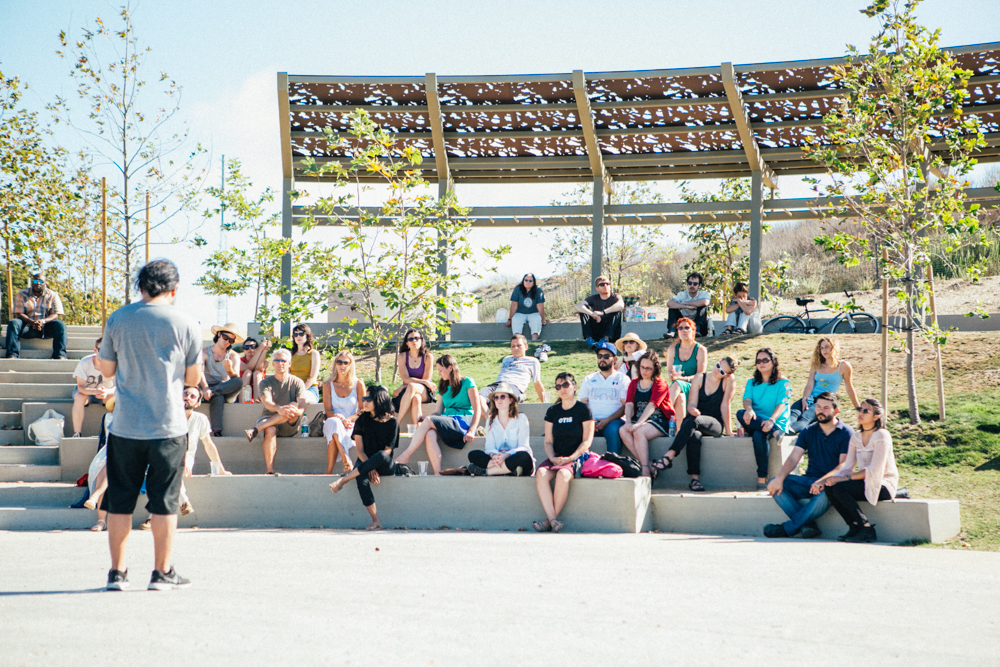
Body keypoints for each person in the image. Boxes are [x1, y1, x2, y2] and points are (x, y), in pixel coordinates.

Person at [98, 259, 202, 591]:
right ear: (173, 290)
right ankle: (162, 572)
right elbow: (193, 378)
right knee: (165, 501)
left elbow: (107, 369)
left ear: (140, 287)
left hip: (126, 426)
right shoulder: (186, 323)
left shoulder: (119, 319)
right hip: (168, 427)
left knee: (120, 500)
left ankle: (118, 573)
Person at [763, 392, 852, 539]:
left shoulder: (846, 432)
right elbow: (793, 458)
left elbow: (845, 465)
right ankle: (807, 526)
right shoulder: (807, 431)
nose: (820, 411)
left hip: (832, 483)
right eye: (818, 406)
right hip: (808, 481)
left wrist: (823, 481)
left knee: (827, 493)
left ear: (836, 411)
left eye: (826, 408)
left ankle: (787, 528)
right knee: (774, 484)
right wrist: (779, 478)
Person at [809, 398, 899, 543]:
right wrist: (825, 480)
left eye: (866, 411)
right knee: (831, 486)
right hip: (864, 482)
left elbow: (875, 470)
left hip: (883, 484)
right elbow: (847, 466)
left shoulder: (882, 435)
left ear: (876, 416)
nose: (860, 413)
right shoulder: (856, 436)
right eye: (859, 409)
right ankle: (854, 527)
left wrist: (843, 479)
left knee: (839, 487)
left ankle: (867, 528)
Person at [651, 356, 739, 491]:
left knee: (694, 422)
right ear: (718, 362)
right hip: (695, 419)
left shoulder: (728, 381)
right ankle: (694, 479)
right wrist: (692, 409)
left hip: (714, 423)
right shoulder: (699, 377)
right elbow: (691, 403)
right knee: (694, 435)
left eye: (722, 372)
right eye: (718, 366)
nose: (718, 371)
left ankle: (669, 456)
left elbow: (725, 406)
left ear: (726, 375)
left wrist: (728, 431)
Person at [329, 385, 402, 531]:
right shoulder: (362, 419)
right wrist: (369, 466)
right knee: (361, 479)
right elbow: (360, 449)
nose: (365, 402)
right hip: (364, 459)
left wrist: (372, 466)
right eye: (364, 399)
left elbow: (387, 451)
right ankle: (376, 520)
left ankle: (344, 480)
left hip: (385, 464)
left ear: (379, 400)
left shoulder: (393, 423)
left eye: (368, 399)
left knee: (381, 454)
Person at [394, 354, 481, 475]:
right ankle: (437, 472)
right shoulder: (443, 385)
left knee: (429, 421)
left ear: (450, 368)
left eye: (441, 370)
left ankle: (406, 455)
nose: (439, 373)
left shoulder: (467, 382)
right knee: (430, 434)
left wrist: (472, 430)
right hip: (447, 420)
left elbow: (477, 409)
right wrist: (428, 418)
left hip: (462, 421)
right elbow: (438, 412)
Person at [533, 372, 594, 533]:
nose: (562, 389)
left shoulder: (583, 409)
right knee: (540, 473)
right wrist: (552, 457)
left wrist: (571, 458)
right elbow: (548, 440)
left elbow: (587, 441)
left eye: (566, 384)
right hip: (556, 456)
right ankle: (553, 520)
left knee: (562, 475)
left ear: (574, 386)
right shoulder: (553, 411)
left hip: (577, 456)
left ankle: (548, 521)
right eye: (558, 386)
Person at [737, 347, 793, 490]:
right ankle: (774, 431)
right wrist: (748, 409)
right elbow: (747, 399)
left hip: (775, 420)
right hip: (755, 420)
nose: (761, 363)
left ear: (773, 362)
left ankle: (762, 478)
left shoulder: (783, 382)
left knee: (758, 434)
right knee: (739, 413)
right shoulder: (752, 382)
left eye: (765, 360)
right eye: (758, 361)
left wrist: (772, 420)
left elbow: (782, 404)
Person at [244, 348, 306, 475]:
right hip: (269, 419)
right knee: (270, 429)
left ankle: (256, 429)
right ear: (272, 364)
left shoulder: (298, 382)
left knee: (293, 405)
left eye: (283, 360)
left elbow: (301, 406)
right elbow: (267, 403)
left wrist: (293, 410)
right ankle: (270, 471)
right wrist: (280, 409)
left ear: (289, 363)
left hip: (290, 422)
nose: (280, 363)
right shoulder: (265, 383)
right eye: (276, 360)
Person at [620, 350, 676, 477]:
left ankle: (645, 471)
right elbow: (629, 404)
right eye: (642, 367)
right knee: (623, 430)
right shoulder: (634, 383)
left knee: (639, 431)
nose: (644, 371)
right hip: (639, 419)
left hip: (659, 420)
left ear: (655, 369)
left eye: (648, 368)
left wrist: (639, 424)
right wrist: (628, 422)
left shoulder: (659, 382)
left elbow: (653, 405)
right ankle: (649, 464)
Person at [788, 337, 860, 434]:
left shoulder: (843, 366)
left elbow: (849, 388)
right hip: (810, 398)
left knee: (806, 417)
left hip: (824, 401)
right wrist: (804, 399)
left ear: (833, 348)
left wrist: (858, 407)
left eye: (827, 347)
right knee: (793, 413)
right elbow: (809, 384)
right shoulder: (817, 364)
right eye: (821, 348)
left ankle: (789, 431)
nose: (824, 350)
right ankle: (783, 431)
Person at [177, 385, 231, 516]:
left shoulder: (200, 419)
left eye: (192, 396)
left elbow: (208, 444)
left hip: (186, 461)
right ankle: (183, 500)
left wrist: (220, 469)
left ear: (197, 404)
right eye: (185, 394)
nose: (187, 397)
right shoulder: (169, 416)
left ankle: (152, 517)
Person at [467, 382, 535, 477]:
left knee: (523, 457)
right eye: (496, 397)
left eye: (503, 397)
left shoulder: (521, 418)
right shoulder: (490, 420)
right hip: (497, 459)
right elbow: (489, 447)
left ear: (511, 400)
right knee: (473, 454)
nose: (499, 400)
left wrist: (506, 456)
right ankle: (509, 470)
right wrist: (495, 457)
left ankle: (487, 472)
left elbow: (524, 446)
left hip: (516, 458)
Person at [578, 342, 629, 455]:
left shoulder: (623, 379)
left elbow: (625, 406)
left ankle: (613, 466)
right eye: (599, 356)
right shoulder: (589, 379)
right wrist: (590, 421)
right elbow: (583, 404)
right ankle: (582, 467)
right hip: (591, 420)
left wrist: (607, 420)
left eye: (606, 356)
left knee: (613, 431)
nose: (602, 359)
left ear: (614, 359)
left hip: (614, 421)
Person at [4, 271, 67, 359]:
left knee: (60, 325)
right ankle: (12, 355)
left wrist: (42, 321)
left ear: (45, 283)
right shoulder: (22, 294)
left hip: (45, 327)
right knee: (14, 323)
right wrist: (32, 322)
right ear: (31, 282)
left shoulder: (53, 295)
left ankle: (60, 355)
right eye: (35, 281)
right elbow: (19, 313)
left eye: (41, 281)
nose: (38, 283)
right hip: (27, 326)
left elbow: (56, 314)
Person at [322, 350, 365, 474]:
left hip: (351, 424)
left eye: (346, 363)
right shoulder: (327, 384)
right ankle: (345, 457)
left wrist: (348, 420)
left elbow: (362, 410)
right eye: (339, 362)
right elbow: (328, 410)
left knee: (334, 435)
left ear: (351, 365)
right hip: (332, 420)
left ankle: (328, 472)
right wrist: (341, 419)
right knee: (335, 422)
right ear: (335, 364)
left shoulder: (358, 384)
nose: (342, 366)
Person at [199, 323, 244, 437]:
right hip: (207, 386)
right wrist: (205, 388)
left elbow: (235, 379)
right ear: (219, 334)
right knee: (217, 397)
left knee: (238, 382)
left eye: (230, 340)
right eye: (225, 337)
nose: (227, 341)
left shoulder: (233, 356)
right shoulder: (204, 352)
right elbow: (199, 372)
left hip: (225, 388)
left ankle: (213, 391)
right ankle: (216, 431)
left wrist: (229, 370)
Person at [479, 334, 545, 407]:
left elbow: (537, 384)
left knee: (502, 399)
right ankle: (488, 418)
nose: (515, 348)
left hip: (514, 387)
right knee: (479, 397)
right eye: (513, 346)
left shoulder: (533, 361)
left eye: (519, 345)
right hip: (497, 385)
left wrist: (545, 404)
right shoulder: (506, 359)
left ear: (526, 347)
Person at [71, 336, 115, 437]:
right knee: (79, 397)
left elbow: (117, 387)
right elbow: (81, 387)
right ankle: (77, 433)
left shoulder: (114, 364)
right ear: (95, 350)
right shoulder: (85, 362)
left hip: (105, 394)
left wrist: (107, 392)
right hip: (87, 393)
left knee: (120, 398)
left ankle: (114, 434)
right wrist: (96, 391)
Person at [664, 317, 708, 419]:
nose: (683, 330)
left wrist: (683, 379)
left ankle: (663, 412)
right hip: (676, 387)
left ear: (693, 331)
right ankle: (679, 429)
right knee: (680, 397)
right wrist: (673, 376)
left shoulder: (700, 349)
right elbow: (669, 373)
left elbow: (700, 376)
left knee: (677, 384)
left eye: (687, 328)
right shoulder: (672, 349)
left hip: (693, 386)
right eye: (680, 328)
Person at [391, 328, 435, 425]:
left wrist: (405, 386)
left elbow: (426, 380)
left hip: (426, 390)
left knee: (411, 386)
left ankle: (397, 424)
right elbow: (406, 379)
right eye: (410, 339)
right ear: (407, 343)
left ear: (421, 340)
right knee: (416, 398)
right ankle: (418, 429)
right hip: (410, 391)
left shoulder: (428, 356)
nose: (414, 341)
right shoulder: (402, 356)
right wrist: (405, 385)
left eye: (417, 338)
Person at [575, 275, 625, 348]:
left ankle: (605, 339)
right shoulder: (594, 298)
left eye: (607, 284)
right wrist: (592, 314)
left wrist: (602, 312)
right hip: (597, 329)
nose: (605, 286)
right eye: (602, 284)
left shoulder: (615, 297)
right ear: (597, 288)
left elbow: (621, 305)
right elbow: (578, 306)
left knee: (617, 311)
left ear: (610, 286)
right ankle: (589, 339)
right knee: (583, 310)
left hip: (611, 332)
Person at [666, 272, 711, 338]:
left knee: (703, 307)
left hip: (699, 323)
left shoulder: (703, 294)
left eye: (695, 284)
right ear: (687, 284)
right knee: (672, 308)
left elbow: (705, 302)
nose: (692, 286)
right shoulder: (682, 294)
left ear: (699, 285)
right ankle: (672, 331)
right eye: (690, 283)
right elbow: (669, 303)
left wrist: (684, 303)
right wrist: (685, 306)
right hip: (683, 322)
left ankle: (697, 331)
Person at [506, 273, 549, 341]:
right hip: (520, 313)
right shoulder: (517, 289)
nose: (527, 282)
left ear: (533, 282)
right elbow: (514, 305)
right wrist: (509, 319)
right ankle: (517, 342)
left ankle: (533, 341)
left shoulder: (538, 290)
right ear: (523, 281)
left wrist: (543, 319)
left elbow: (540, 306)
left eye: (530, 281)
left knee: (537, 319)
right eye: (526, 280)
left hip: (533, 313)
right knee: (516, 319)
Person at [289, 324, 321, 403]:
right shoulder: (290, 354)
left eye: (301, 334)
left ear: (307, 336)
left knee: (300, 398)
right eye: (295, 335)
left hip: (309, 389)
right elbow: (287, 376)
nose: (298, 337)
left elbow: (312, 378)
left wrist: (299, 391)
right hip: (292, 389)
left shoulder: (313, 354)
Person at [239, 337, 270, 402]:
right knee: (248, 372)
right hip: (242, 389)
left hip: (259, 389)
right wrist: (260, 349)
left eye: (253, 347)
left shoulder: (265, 362)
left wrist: (264, 350)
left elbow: (258, 368)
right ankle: (243, 401)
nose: (250, 349)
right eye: (246, 347)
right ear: (243, 350)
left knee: (257, 373)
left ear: (256, 348)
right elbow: (249, 367)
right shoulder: (240, 361)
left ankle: (257, 400)